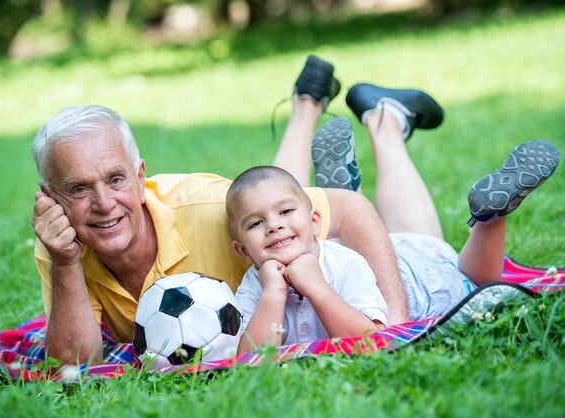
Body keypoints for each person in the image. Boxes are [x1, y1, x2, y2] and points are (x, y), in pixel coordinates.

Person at [30, 57, 411, 364]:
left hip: (322, 256)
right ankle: (307, 104)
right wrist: (65, 262)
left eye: (116, 180)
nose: (103, 204)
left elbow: (352, 209)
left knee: (270, 205)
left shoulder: (208, 207)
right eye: (78, 189)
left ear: (140, 175)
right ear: (51, 199)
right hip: (281, 263)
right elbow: (72, 365)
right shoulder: (64, 242)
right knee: (273, 205)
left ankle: (384, 119)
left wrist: (396, 330)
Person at [274, 56, 561, 322]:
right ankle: (376, 121)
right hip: (419, 274)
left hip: (374, 277)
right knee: (424, 251)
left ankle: (491, 219)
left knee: (264, 204)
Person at [225, 166, 388, 354]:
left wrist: (317, 287)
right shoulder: (252, 286)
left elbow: (373, 345)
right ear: (243, 251)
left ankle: (347, 188)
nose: (273, 225)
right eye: (255, 223)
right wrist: (273, 293)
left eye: (285, 211)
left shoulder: (346, 264)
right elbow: (247, 361)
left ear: (314, 223)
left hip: (414, 276)